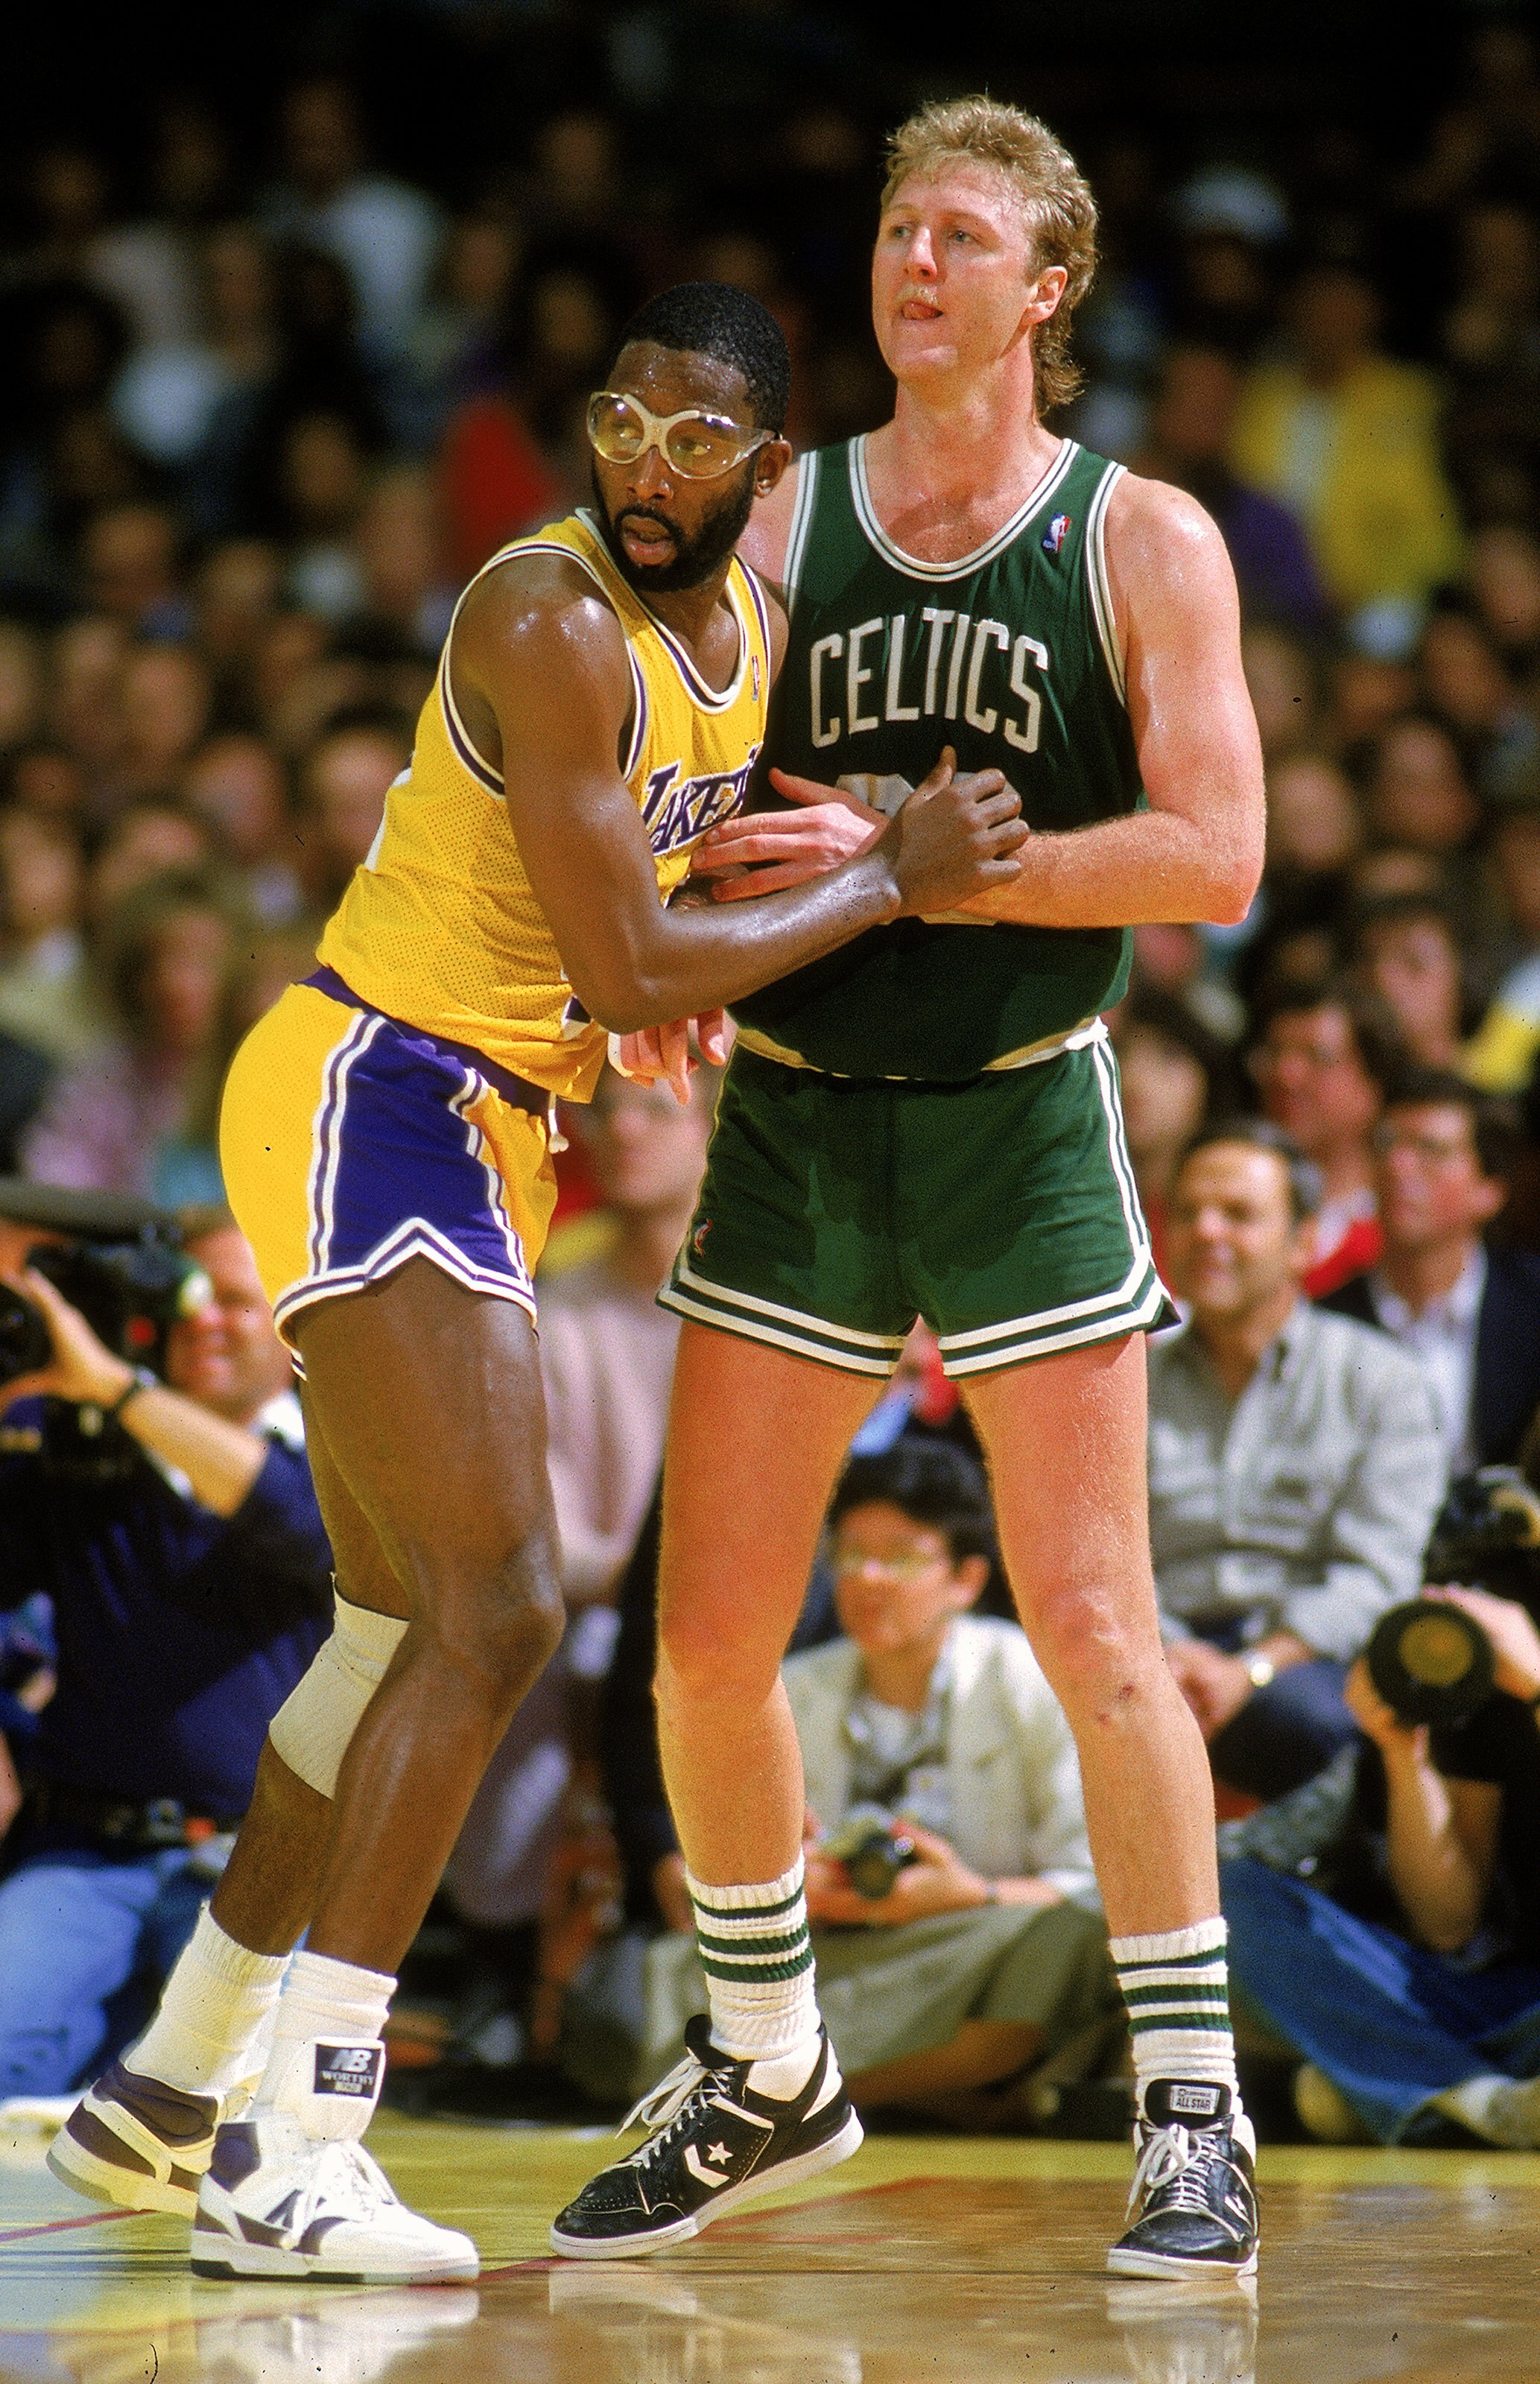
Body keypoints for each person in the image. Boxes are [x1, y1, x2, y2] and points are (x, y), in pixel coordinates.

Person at [52, 279, 1022, 2286]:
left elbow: (632, 922)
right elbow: (630, 964)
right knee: (492, 1602)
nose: (649, 469)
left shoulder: (745, 636)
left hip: (485, 1111)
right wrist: (886, 874)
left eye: (695, 439)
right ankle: (300, 2138)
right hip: (374, 1084)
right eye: (620, 424)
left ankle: (171, 2084)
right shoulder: (546, 612)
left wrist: (672, 957)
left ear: (766, 461)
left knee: (395, 1624)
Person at [560, 98, 1267, 2280]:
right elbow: (683, 787)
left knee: (1091, 1628)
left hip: (1018, 1114)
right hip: (795, 1103)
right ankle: (764, 2054)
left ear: (1045, 287)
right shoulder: (780, 511)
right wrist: (688, 927)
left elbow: (1216, 853)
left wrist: (955, 876)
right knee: (699, 1643)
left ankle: (1183, 2100)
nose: (914, 265)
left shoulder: (1134, 535)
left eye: (960, 235)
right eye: (893, 232)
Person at [0, 1193, 329, 2103]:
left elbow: (300, 1530)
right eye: (185, 1294)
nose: (201, 1318)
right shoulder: (76, 1454)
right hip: (86, 1855)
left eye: (231, 1296)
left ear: (295, 1316)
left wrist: (120, 1392)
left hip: (261, 1871)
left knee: (257, 2106)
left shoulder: (340, 1456)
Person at [1150, 1121, 1446, 1803]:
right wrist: (1168, 1656)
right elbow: (1098, 1555)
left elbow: (1377, 1573)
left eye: (1239, 1215)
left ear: (1304, 1242)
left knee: (1310, 1722)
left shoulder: (1380, 1381)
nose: (1207, 1233)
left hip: (1301, 1656)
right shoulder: (1123, 1379)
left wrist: (1250, 1668)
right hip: (1155, 1648)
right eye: (1189, 1213)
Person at [1223, 1582, 1540, 2148]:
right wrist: (1401, 1750)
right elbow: (1447, 1926)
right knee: (1229, 1898)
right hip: (1475, 2001)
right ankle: (1470, 2098)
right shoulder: (1478, 1704)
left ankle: (1390, 2081)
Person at [1322, 1071, 1540, 1474]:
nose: (1398, 1166)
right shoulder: (1327, 1322)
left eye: (1431, 1150)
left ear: (1489, 1191)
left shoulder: (1531, 1302)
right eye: (1386, 1145)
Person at [1245, 974, 1404, 1296]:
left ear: (1374, 1081)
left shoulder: (1396, 1223)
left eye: (1317, 1057)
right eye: (1276, 1054)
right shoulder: (1233, 1206)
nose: (1286, 1075)